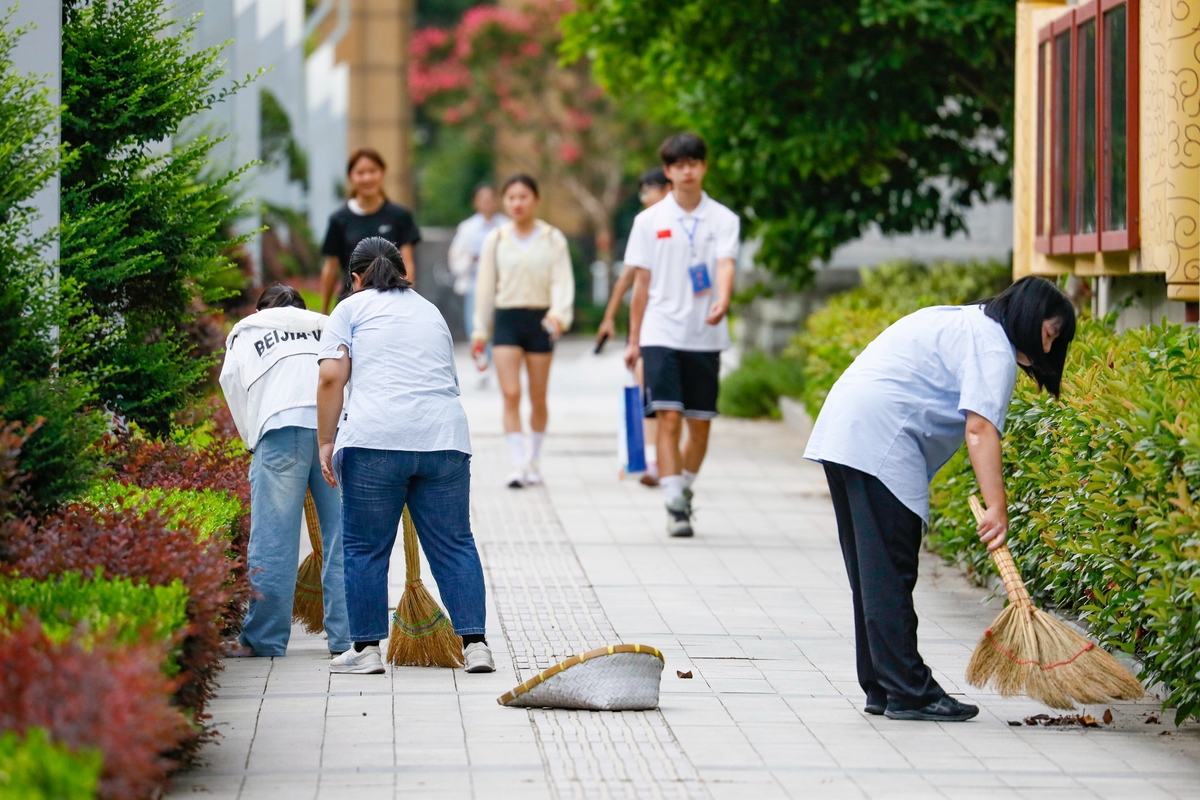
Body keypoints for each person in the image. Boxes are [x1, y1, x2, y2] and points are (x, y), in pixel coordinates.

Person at [803, 277, 1076, 722]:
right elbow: (979, 429)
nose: (1049, 349)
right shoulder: (993, 349)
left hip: (846, 430)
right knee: (890, 571)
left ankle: (883, 686)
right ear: (1028, 318)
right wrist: (997, 508)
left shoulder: (963, 321)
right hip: (880, 440)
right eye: (1050, 334)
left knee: (872, 573)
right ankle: (910, 691)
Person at [317, 238, 493, 675]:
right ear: (402, 270)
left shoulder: (350, 309)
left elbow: (330, 377)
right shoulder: (429, 310)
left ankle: (366, 650)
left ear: (355, 277)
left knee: (364, 548)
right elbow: (448, 377)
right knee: (454, 544)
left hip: (376, 440)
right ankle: (476, 646)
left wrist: (325, 441)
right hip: (445, 438)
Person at [218, 284, 350, 658]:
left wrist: (251, 436)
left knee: (274, 538)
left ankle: (265, 640)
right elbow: (350, 378)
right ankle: (348, 638)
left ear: (262, 309)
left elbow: (232, 383)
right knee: (345, 535)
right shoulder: (329, 325)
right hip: (335, 431)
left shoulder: (250, 328)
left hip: (279, 430)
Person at [623, 134, 739, 537]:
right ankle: (674, 503)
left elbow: (725, 264)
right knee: (668, 416)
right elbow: (641, 284)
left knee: (700, 424)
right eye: (679, 164)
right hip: (660, 330)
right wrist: (634, 340)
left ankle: (682, 487)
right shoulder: (648, 222)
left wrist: (723, 299)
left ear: (704, 167)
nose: (687, 170)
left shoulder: (723, 219)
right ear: (669, 172)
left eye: (695, 162)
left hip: (704, 334)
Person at [471, 174, 575, 488]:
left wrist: (559, 315)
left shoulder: (552, 237)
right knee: (511, 394)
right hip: (506, 320)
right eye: (511, 197)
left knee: (538, 396)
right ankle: (516, 463)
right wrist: (480, 330)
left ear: (535, 199)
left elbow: (562, 280)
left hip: (541, 320)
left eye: (523, 196)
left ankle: (534, 459)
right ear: (505, 201)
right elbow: (485, 286)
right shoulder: (497, 239)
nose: (517, 203)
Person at [597, 167, 672, 486]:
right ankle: (654, 460)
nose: (644, 199)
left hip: (681, 329)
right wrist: (609, 318)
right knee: (650, 391)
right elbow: (627, 279)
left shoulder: (688, 227)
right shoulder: (644, 228)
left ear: (667, 189)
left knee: (673, 403)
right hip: (648, 325)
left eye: (648, 191)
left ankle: (670, 459)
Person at [319, 148, 421, 314]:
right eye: (360, 173)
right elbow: (331, 267)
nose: (367, 178)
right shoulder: (339, 219)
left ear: (383, 172)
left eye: (372, 171)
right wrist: (324, 312)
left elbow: (407, 262)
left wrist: (406, 300)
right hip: (350, 304)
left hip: (390, 304)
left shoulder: (400, 216)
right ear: (351, 177)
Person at [449, 183, 509, 341]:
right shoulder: (468, 228)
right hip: (474, 284)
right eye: (482, 199)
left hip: (501, 286)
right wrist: (471, 259)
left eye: (490, 199)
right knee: (476, 328)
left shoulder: (506, 225)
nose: (487, 203)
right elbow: (455, 257)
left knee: (500, 328)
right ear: (475, 202)